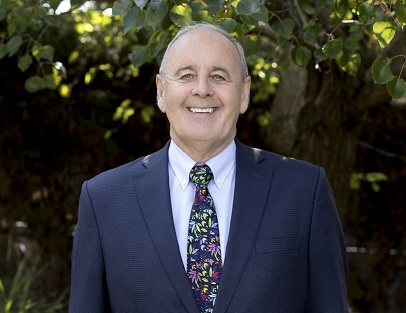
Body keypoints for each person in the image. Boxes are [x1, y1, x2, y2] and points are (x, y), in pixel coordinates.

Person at [69, 22, 349, 313]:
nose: (202, 89)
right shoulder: (103, 200)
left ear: (244, 93)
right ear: (161, 91)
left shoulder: (304, 191)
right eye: (187, 75)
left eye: (218, 76)